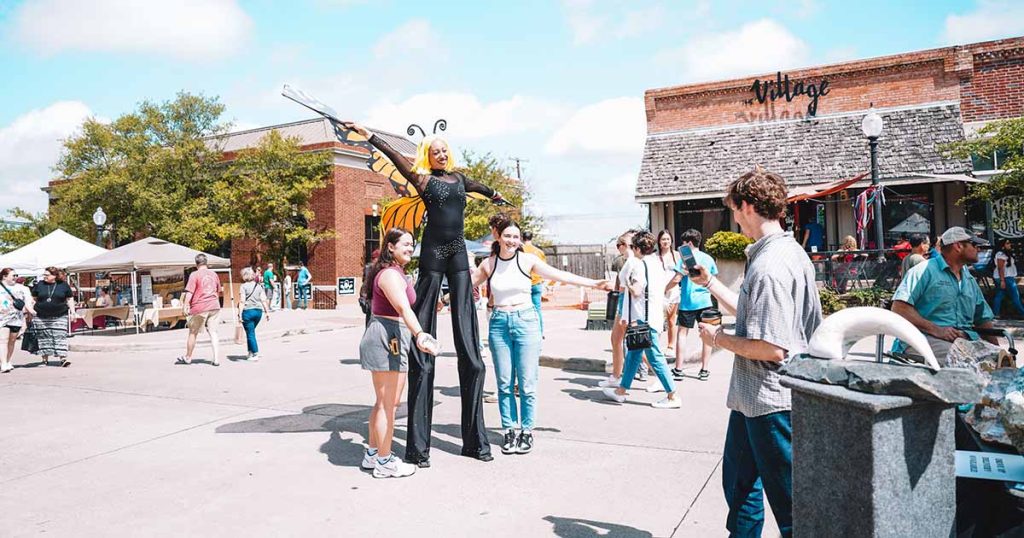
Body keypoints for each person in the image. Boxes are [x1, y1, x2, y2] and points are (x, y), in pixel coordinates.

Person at [344, 121, 507, 467]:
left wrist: (493, 193)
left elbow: (477, 186)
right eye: (436, 151)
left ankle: (475, 442)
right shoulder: (422, 180)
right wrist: (368, 135)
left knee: (470, 350)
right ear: (427, 156)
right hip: (433, 255)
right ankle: (418, 449)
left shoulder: (460, 179)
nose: (442, 154)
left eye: (445, 150)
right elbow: (393, 155)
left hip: (459, 254)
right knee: (423, 350)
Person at [691, 165, 823, 538]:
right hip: (752, 400)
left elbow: (772, 347)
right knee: (741, 488)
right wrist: (712, 283)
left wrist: (717, 339)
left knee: (790, 506)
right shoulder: (785, 252)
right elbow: (757, 316)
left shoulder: (769, 266)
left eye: (733, 209)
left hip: (773, 402)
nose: (733, 218)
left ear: (748, 206)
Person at [473, 220, 609, 454]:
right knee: (504, 382)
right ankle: (509, 430)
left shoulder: (527, 261)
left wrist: (594, 283)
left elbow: (561, 275)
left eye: (516, 237)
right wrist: (441, 296)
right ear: (498, 237)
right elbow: (465, 285)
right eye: (507, 236)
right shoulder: (489, 264)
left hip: (526, 321)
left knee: (526, 382)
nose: (512, 241)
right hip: (499, 324)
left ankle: (526, 430)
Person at [358, 228, 435, 478]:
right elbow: (402, 307)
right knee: (388, 404)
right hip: (387, 334)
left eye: (412, 245)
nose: (410, 248)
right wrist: (420, 334)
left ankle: (373, 454)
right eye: (405, 244)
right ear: (390, 246)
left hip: (389, 333)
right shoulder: (390, 274)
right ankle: (384, 461)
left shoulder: (396, 272)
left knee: (384, 402)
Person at [892, 227, 996, 364]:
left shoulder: (969, 279)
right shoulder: (923, 271)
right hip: (924, 339)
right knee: (967, 361)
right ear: (958, 246)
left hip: (962, 342)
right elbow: (899, 308)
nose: (979, 249)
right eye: (974, 245)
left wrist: (998, 351)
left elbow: (982, 318)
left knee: (997, 361)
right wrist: (937, 330)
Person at [601, 230, 681, 408]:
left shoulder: (637, 265)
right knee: (634, 354)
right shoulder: (656, 264)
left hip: (643, 320)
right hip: (652, 317)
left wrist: (627, 284)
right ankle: (621, 391)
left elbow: (637, 291)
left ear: (636, 248)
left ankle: (672, 395)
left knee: (654, 357)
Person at [665, 229, 718, 381]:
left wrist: (663, 289)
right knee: (707, 336)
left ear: (689, 243)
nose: (682, 246)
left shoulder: (685, 258)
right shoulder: (708, 258)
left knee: (682, 334)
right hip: (705, 302)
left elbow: (676, 279)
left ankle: (679, 369)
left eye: (683, 243)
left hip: (688, 302)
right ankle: (704, 370)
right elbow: (713, 277)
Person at [599, 229, 637, 389]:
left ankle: (662, 378)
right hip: (625, 304)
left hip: (630, 305)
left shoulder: (634, 262)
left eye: (623, 244)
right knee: (618, 340)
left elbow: (632, 287)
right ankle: (616, 376)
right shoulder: (628, 261)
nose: (620, 247)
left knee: (641, 344)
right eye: (619, 244)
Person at [177, 254, 223, 366]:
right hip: (214, 305)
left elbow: (190, 292)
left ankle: (188, 357)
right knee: (213, 332)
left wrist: (186, 305)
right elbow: (219, 290)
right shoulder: (214, 274)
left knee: (193, 332)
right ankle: (216, 359)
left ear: (196, 263)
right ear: (206, 262)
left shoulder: (194, 275)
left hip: (200, 306)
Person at [30, 266, 76, 368]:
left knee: (60, 336)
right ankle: (44, 360)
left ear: (54, 276)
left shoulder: (63, 285)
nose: (44, 277)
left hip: (60, 315)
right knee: (43, 337)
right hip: (41, 316)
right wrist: (30, 309)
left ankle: (63, 359)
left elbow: (69, 299)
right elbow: (33, 299)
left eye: (47, 275)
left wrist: (73, 312)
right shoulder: (40, 285)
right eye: (44, 275)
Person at [0, 268, 34, 373]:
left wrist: (32, 311)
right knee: (3, 340)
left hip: (17, 318)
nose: (15, 277)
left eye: (16, 275)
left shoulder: (23, 288)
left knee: (12, 341)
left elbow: (28, 302)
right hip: (2, 317)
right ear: (4, 276)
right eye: (12, 275)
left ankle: (8, 360)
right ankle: (3, 363)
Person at [237, 267, 271, 361]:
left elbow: (242, 301)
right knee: (250, 332)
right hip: (258, 312)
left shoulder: (243, 287)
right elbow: (264, 300)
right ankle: (250, 352)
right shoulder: (258, 286)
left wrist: (239, 314)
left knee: (250, 333)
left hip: (247, 311)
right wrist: (267, 312)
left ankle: (255, 353)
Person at [656, 230, 681, 351]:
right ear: (659, 242)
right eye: (663, 239)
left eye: (668, 239)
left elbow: (681, 273)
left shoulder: (676, 255)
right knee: (658, 319)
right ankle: (655, 344)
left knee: (672, 319)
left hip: (673, 291)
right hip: (658, 291)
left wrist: (669, 287)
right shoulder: (654, 256)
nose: (666, 242)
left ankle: (671, 345)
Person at [520, 230, 547, 335]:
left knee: (523, 308)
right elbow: (544, 268)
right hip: (537, 282)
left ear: (522, 237)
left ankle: (526, 331)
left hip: (524, 283)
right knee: (537, 308)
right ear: (532, 238)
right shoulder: (539, 252)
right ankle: (540, 331)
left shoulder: (520, 250)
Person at [991, 239, 1024, 318]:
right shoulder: (1000, 254)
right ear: (1002, 246)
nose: (1010, 245)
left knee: (1000, 294)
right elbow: (1000, 268)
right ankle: (1022, 313)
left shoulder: (1006, 254)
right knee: (1015, 296)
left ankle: (995, 313)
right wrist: (1002, 280)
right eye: (1007, 243)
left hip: (1006, 277)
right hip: (1006, 277)